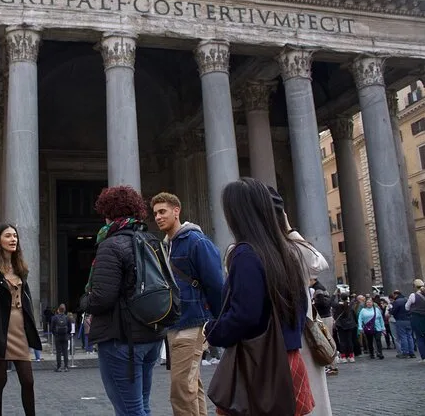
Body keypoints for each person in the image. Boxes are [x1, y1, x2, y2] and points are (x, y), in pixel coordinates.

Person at [207, 178, 314, 416]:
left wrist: (213, 330)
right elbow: (301, 306)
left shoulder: (245, 254)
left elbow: (245, 315)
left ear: (238, 214)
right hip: (290, 359)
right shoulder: (286, 251)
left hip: (261, 365)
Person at [80, 185, 166, 415]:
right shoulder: (152, 240)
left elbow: (102, 298)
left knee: (130, 411)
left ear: (108, 213)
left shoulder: (111, 245)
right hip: (151, 335)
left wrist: (84, 301)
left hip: (121, 339)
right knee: (141, 406)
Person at [150, 192, 223, 416]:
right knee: (191, 384)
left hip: (193, 322)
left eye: (162, 211)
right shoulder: (167, 245)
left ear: (176, 211)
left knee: (181, 390)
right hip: (176, 323)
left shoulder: (196, 241)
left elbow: (216, 284)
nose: (158, 217)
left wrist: (217, 322)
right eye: (155, 213)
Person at [269, 186, 333, 413]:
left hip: (300, 333)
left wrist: (288, 229)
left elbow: (318, 264)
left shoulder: (291, 248)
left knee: (309, 397)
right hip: (281, 335)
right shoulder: (277, 248)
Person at [0, 224, 42, 416]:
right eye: (8, 236)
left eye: (15, 236)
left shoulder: (21, 268)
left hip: (20, 328)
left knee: (28, 380)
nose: (13, 239)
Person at [390, 290, 415, 358]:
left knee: (403, 336)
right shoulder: (407, 299)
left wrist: (391, 311)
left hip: (400, 320)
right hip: (409, 320)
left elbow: (393, 312)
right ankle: (412, 352)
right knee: (409, 336)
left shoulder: (397, 301)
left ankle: (405, 352)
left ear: (396, 295)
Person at [405, 279, 425, 362]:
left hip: (417, 318)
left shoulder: (413, 295)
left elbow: (407, 307)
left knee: (420, 338)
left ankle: (424, 357)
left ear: (414, 286)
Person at [333, 293, 357, 363]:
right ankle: (351, 356)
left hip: (341, 325)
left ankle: (343, 357)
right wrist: (353, 296)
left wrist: (334, 295)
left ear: (340, 298)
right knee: (349, 341)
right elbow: (353, 300)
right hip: (349, 325)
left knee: (342, 341)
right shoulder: (350, 305)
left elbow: (330, 302)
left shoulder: (338, 305)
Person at [51, 304, 71, 372]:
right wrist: (67, 333)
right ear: (64, 310)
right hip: (65, 336)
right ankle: (66, 367)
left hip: (57, 337)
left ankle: (59, 367)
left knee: (58, 352)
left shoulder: (54, 318)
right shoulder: (67, 317)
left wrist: (55, 334)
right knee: (65, 352)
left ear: (58, 310)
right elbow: (70, 328)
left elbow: (52, 328)